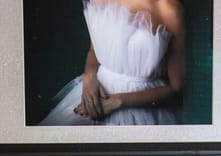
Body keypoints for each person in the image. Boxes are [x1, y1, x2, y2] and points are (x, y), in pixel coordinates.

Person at [39, 0, 186, 126]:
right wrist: (89, 75)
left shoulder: (169, 9)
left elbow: (176, 88)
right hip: (97, 91)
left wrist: (118, 101)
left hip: (144, 104)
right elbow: (94, 51)